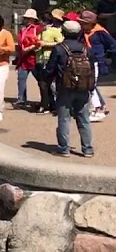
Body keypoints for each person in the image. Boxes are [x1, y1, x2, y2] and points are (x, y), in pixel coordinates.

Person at [44, 20, 95, 157]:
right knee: (84, 118)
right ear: (79, 33)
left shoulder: (59, 48)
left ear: (63, 32)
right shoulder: (86, 48)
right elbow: (91, 69)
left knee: (64, 119)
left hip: (65, 87)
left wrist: (47, 81)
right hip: (83, 87)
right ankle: (87, 149)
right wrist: (91, 86)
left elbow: (50, 69)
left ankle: (64, 148)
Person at [80, 10, 115, 121]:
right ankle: (101, 106)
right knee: (91, 85)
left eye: (84, 23)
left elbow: (112, 44)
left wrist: (108, 56)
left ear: (91, 23)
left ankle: (98, 110)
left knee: (91, 85)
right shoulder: (82, 32)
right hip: (86, 61)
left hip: (97, 61)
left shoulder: (100, 32)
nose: (82, 25)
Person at [34, 9, 66, 113]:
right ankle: (47, 103)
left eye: (41, 21)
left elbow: (61, 43)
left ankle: (51, 104)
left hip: (50, 59)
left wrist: (46, 44)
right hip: (40, 59)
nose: (39, 22)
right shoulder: (41, 31)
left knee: (49, 83)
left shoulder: (54, 31)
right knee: (42, 83)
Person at [13, 8, 43, 109]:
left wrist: (30, 48)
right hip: (23, 58)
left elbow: (39, 42)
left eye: (29, 18)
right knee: (21, 79)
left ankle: (45, 100)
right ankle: (21, 99)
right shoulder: (23, 29)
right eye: (26, 18)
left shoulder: (37, 29)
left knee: (40, 80)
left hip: (34, 57)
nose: (26, 20)